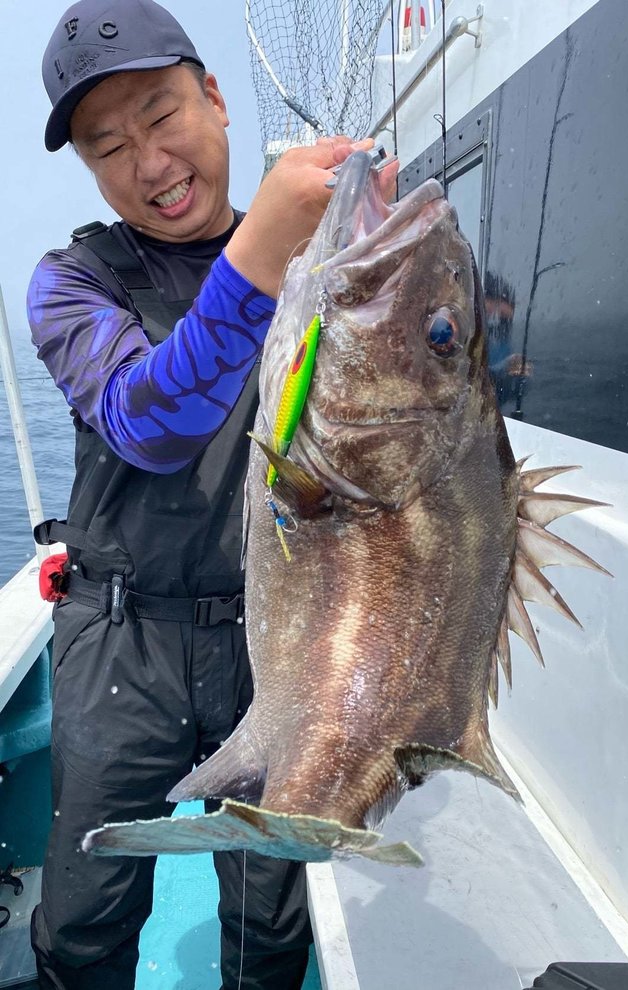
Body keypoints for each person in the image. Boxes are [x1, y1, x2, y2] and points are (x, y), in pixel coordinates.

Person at [28, 1, 396, 987]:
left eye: (160, 114)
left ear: (217, 98)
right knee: (85, 911)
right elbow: (148, 420)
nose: (147, 161)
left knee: (270, 916)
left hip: (273, 632)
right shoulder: (73, 281)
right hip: (123, 644)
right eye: (109, 146)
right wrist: (263, 253)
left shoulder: (321, 263)